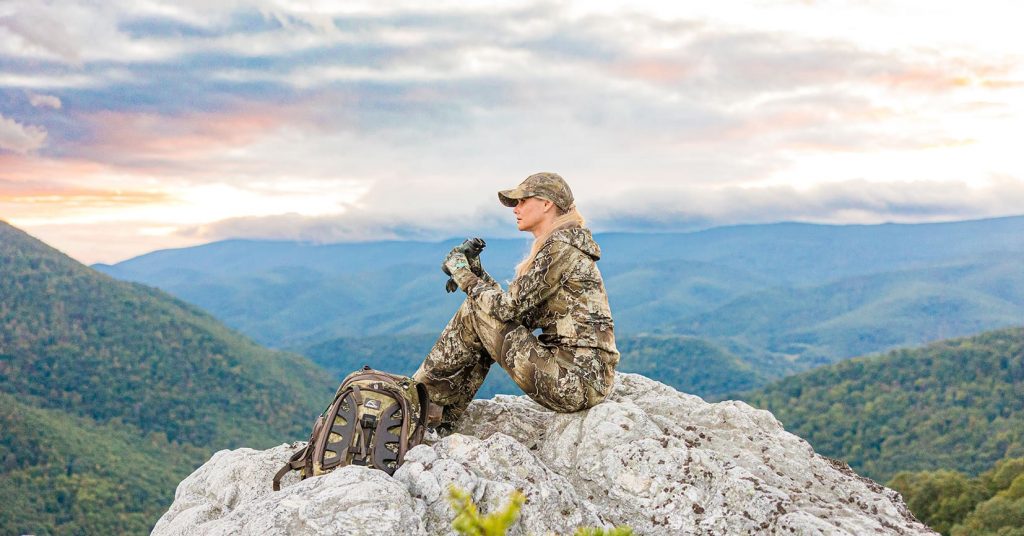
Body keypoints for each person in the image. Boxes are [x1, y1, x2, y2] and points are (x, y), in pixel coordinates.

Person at [413, 172, 620, 429]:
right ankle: (436, 410)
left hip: (574, 383)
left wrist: (463, 275)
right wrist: (476, 273)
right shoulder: (562, 247)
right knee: (478, 310)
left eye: (522, 201)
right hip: (585, 379)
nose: (516, 209)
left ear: (547, 204)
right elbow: (515, 313)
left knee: (475, 310)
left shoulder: (560, 249)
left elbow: (506, 309)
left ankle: (416, 403)